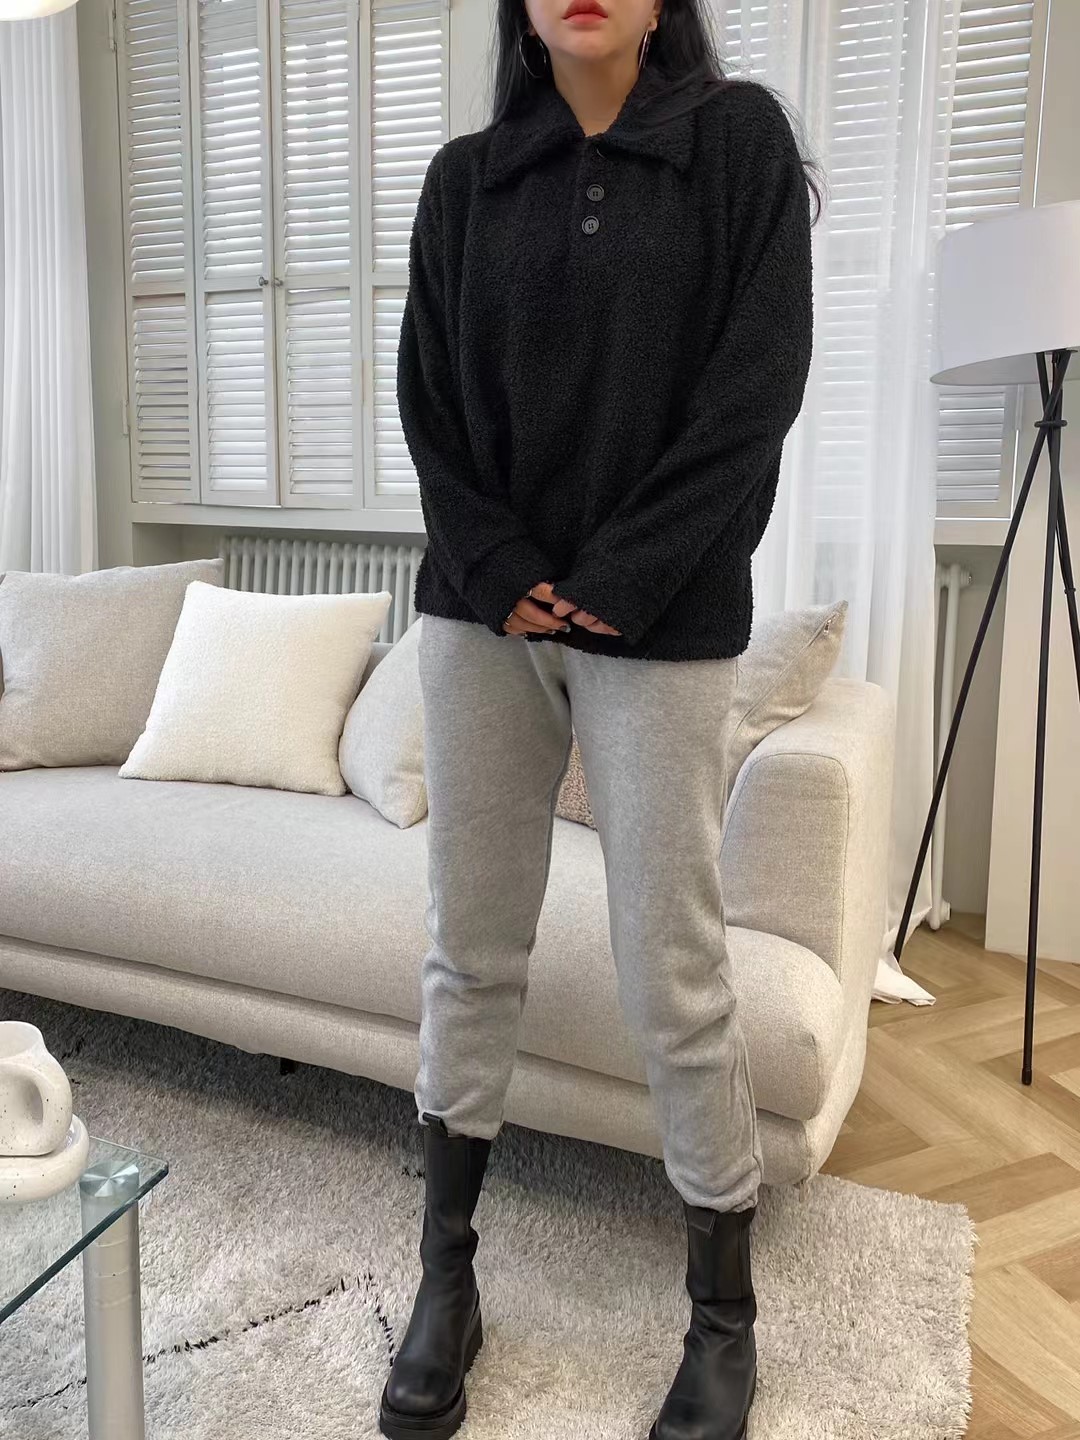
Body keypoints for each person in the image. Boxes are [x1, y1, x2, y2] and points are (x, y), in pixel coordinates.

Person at [379, 0, 821, 1435]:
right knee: (469, 951)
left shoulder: (736, 145)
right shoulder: (467, 179)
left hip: (663, 618)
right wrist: (498, 566)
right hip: (481, 619)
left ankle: (723, 1321)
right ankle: (447, 1280)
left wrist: (621, 577)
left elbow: (754, 395)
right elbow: (429, 401)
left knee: (673, 971)